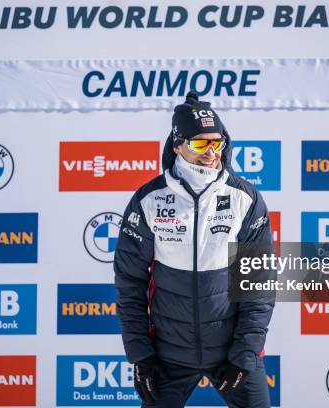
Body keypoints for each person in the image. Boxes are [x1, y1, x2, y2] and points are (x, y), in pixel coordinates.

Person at [114, 91, 275, 407]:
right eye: (201, 144)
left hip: (231, 352)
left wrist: (244, 354)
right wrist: (141, 355)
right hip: (168, 355)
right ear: (177, 145)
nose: (212, 152)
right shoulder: (149, 199)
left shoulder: (245, 199)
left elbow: (258, 284)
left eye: (218, 142)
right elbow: (129, 284)